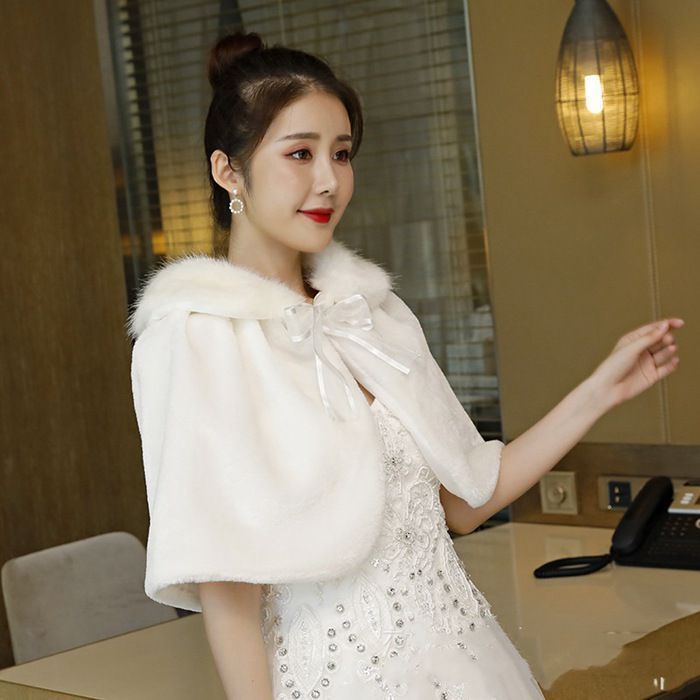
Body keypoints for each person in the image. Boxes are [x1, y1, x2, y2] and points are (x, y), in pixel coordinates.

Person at [127, 31, 683, 700]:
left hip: (474, 670)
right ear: (228, 172)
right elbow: (228, 594)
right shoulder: (194, 340)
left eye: (341, 154)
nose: (329, 180)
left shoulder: (373, 315)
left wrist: (600, 391)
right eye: (300, 153)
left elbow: (466, 502)